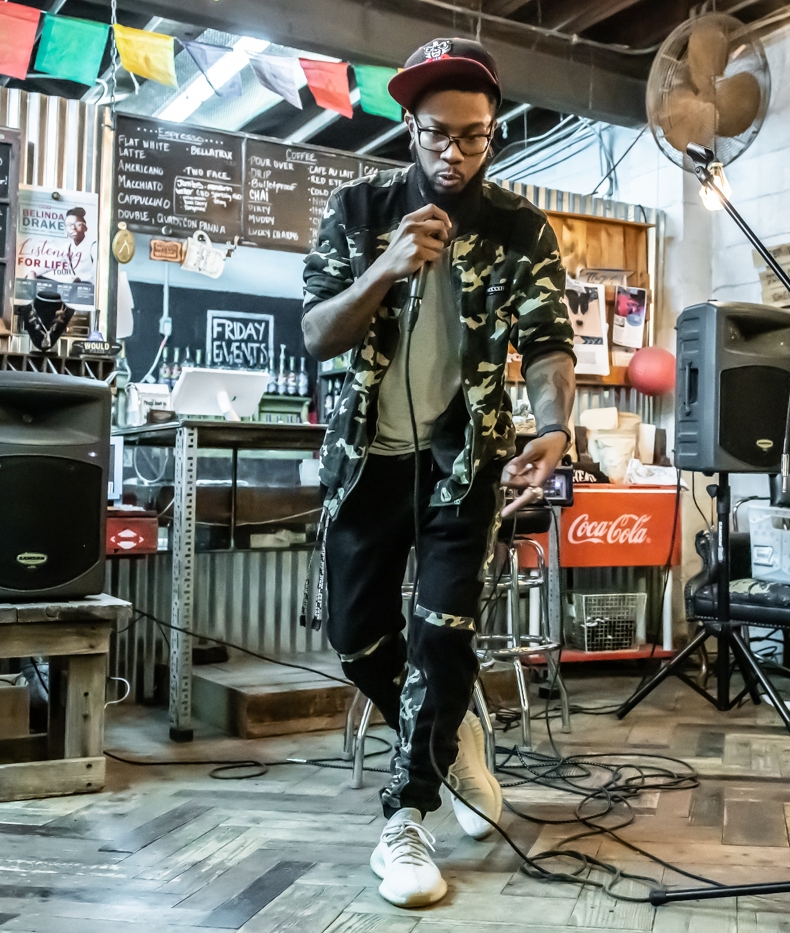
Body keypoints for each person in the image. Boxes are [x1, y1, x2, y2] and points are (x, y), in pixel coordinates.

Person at [301, 37, 576, 909]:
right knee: (355, 637)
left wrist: (555, 426)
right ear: (408, 128)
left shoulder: (519, 227)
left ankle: (407, 816)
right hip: (367, 462)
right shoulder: (357, 210)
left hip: (464, 464)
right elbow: (316, 333)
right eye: (436, 134)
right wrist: (386, 267)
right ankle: (453, 739)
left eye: (473, 136)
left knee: (442, 635)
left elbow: (548, 342)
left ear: (494, 132)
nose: (454, 153)